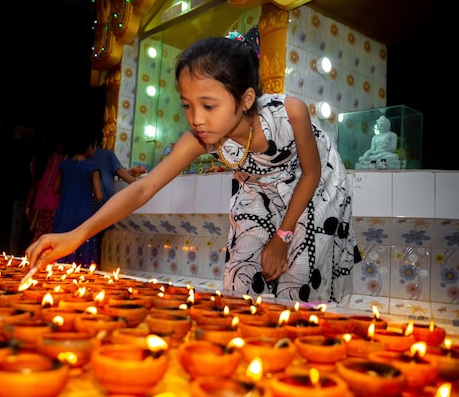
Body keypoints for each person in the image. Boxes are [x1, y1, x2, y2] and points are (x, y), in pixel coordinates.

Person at [26, 34, 360, 304]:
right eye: (187, 105)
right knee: (240, 278)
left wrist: (282, 237)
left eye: (208, 105)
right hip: (258, 189)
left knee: (296, 283)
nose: (196, 118)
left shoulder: (290, 112)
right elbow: (143, 188)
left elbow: (313, 173)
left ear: (245, 100)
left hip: (313, 186)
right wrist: (75, 235)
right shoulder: (200, 138)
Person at [51, 137, 103, 266]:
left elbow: (55, 188)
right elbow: (99, 195)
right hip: (83, 215)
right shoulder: (92, 168)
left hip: (64, 213)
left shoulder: (64, 165)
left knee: (60, 251)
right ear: (89, 147)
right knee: (82, 252)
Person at [90, 137, 137, 267]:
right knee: (99, 243)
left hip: (92, 206)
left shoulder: (78, 160)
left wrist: (141, 185)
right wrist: (139, 184)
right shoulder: (106, 155)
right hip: (103, 204)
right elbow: (121, 172)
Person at [25, 132, 66, 244]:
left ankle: (32, 259)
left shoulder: (36, 161)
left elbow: (33, 186)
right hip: (53, 206)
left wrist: (27, 207)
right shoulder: (62, 161)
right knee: (48, 239)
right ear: (58, 145)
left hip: (37, 205)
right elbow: (56, 189)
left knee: (37, 236)